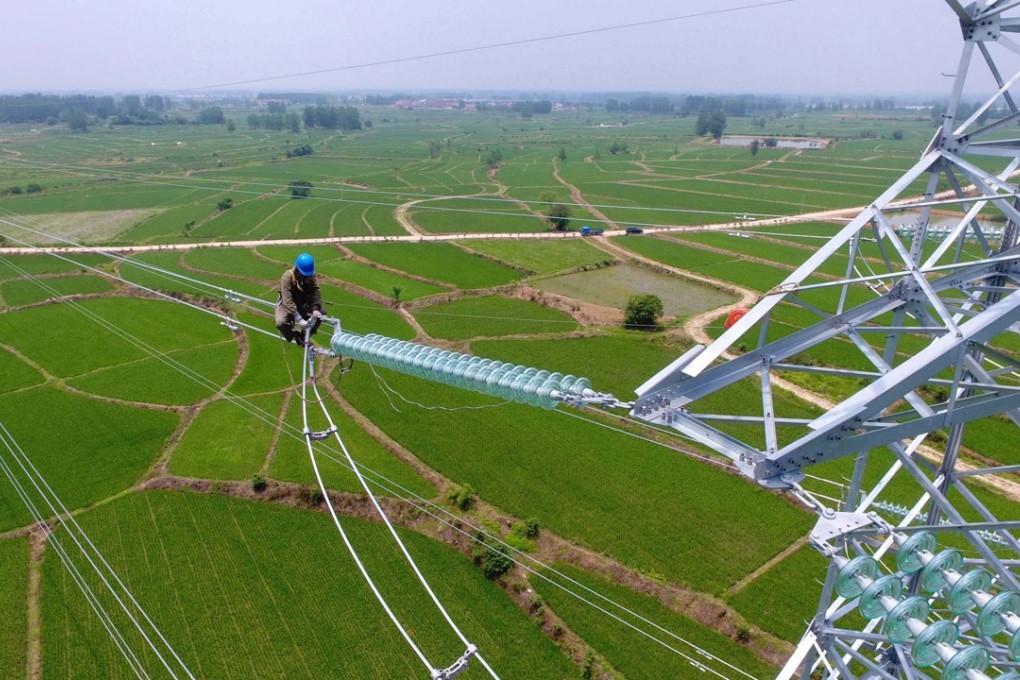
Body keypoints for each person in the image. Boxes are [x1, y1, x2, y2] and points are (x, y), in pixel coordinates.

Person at [276, 253, 324, 346]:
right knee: (280, 322)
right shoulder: (287, 277)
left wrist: (315, 308)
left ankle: (304, 336)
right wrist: (299, 319)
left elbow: (316, 291)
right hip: (286, 305)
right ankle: (294, 335)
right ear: (298, 269)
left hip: (302, 303)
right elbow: (287, 300)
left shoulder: (310, 276)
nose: (306, 276)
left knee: (321, 313)